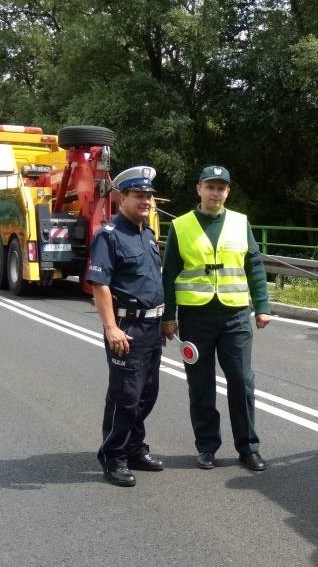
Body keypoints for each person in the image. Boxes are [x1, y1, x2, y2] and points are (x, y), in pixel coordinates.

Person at [161, 165, 271, 471]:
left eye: (221, 188)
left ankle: (248, 447)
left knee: (242, 381)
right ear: (198, 189)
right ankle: (207, 446)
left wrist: (262, 306)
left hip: (235, 316)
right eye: (210, 187)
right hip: (196, 318)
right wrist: (168, 317)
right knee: (201, 385)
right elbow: (168, 274)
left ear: (228, 192)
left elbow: (255, 266)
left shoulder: (240, 222)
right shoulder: (181, 226)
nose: (215, 193)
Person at [87, 165, 165, 487]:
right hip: (126, 330)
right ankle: (113, 456)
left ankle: (134, 447)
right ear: (122, 199)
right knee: (125, 396)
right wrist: (111, 328)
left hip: (152, 329)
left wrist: (165, 320)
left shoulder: (148, 234)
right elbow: (100, 285)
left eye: (148, 196)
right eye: (138, 196)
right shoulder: (109, 236)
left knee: (148, 394)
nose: (145, 201)